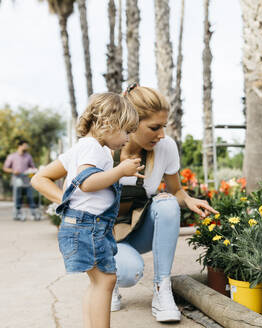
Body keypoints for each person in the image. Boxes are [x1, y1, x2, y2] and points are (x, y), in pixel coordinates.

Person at [31, 93, 141, 328]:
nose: (128, 138)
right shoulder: (94, 149)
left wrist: (72, 207)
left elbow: (45, 180)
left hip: (86, 225)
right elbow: (87, 182)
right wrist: (120, 171)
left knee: (99, 281)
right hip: (89, 226)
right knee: (105, 280)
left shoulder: (84, 147)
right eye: (126, 131)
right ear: (108, 124)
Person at [110, 83, 217, 323]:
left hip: (136, 230)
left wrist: (188, 200)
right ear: (131, 122)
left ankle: (162, 289)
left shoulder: (165, 147)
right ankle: (107, 280)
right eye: (154, 127)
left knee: (167, 202)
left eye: (164, 127)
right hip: (105, 236)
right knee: (128, 272)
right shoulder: (104, 150)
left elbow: (176, 190)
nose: (162, 135)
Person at [3, 139, 40, 220]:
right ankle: (17, 214)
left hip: (27, 179)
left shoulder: (28, 156)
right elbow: (5, 168)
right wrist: (13, 171)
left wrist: (34, 170)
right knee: (18, 197)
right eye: (25, 145)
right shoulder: (12, 156)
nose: (27, 147)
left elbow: (32, 167)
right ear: (20, 146)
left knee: (30, 196)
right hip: (17, 179)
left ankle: (33, 214)